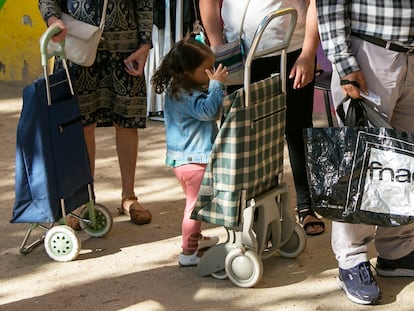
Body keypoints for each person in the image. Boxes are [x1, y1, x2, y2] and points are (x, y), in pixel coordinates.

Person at [317, 0, 414, 305]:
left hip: (410, 55)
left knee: (403, 159)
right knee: (358, 160)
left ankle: (397, 250)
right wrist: (345, 63)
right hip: (370, 53)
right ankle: (351, 259)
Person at [199, 0, 324, 235]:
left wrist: (308, 52)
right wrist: (219, 48)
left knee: (298, 130)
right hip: (239, 54)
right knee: (241, 134)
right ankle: (244, 208)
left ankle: (306, 206)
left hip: (291, 50)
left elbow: (315, 4)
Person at [38, 0, 153, 225]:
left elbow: (144, 3)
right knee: (81, 124)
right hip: (76, 45)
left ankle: (128, 197)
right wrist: (52, 19)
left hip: (124, 48)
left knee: (127, 121)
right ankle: (83, 200)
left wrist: (145, 43)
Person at [151, 37, 227, 266]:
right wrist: (217, 86)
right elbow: (209, 112)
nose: (210, 74)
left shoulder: (179, 89)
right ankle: (187, 252)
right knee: (194, 207)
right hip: (194, 161)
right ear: (187, 74)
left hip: (183, 160)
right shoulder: (188, 94)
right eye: (206, 71)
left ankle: (196, 239)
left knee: (194, 202)